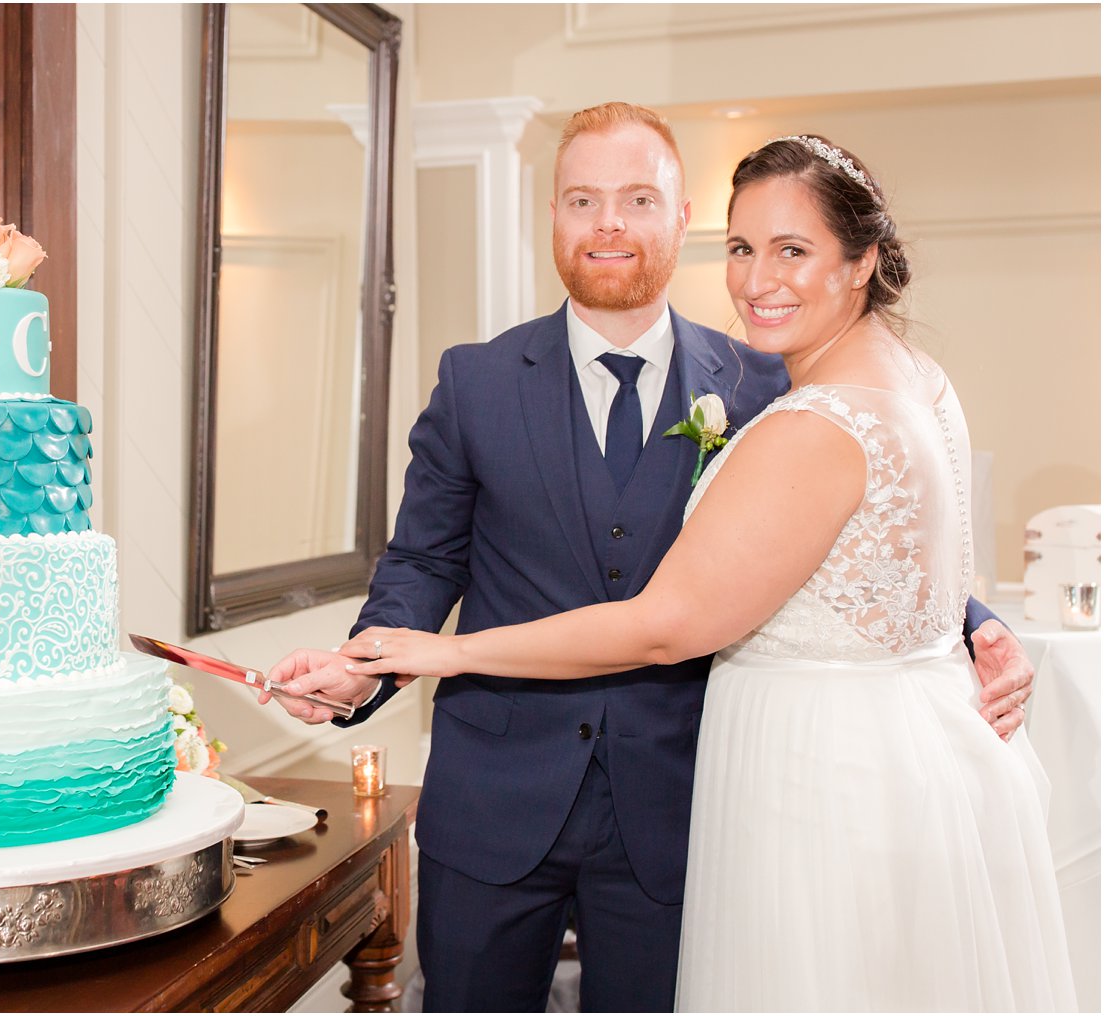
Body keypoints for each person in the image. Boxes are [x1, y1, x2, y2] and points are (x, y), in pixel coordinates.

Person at [262, 105, 1039, 1012]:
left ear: (680, 222)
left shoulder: (767, 379)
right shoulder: (473, 382)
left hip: (686, 804)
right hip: (496, 806)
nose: (608, 224)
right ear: (551, 217)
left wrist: (975, 625)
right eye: (582, 199)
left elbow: (857, 523)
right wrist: (364, 669)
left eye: (638, 198)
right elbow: (423, 562)